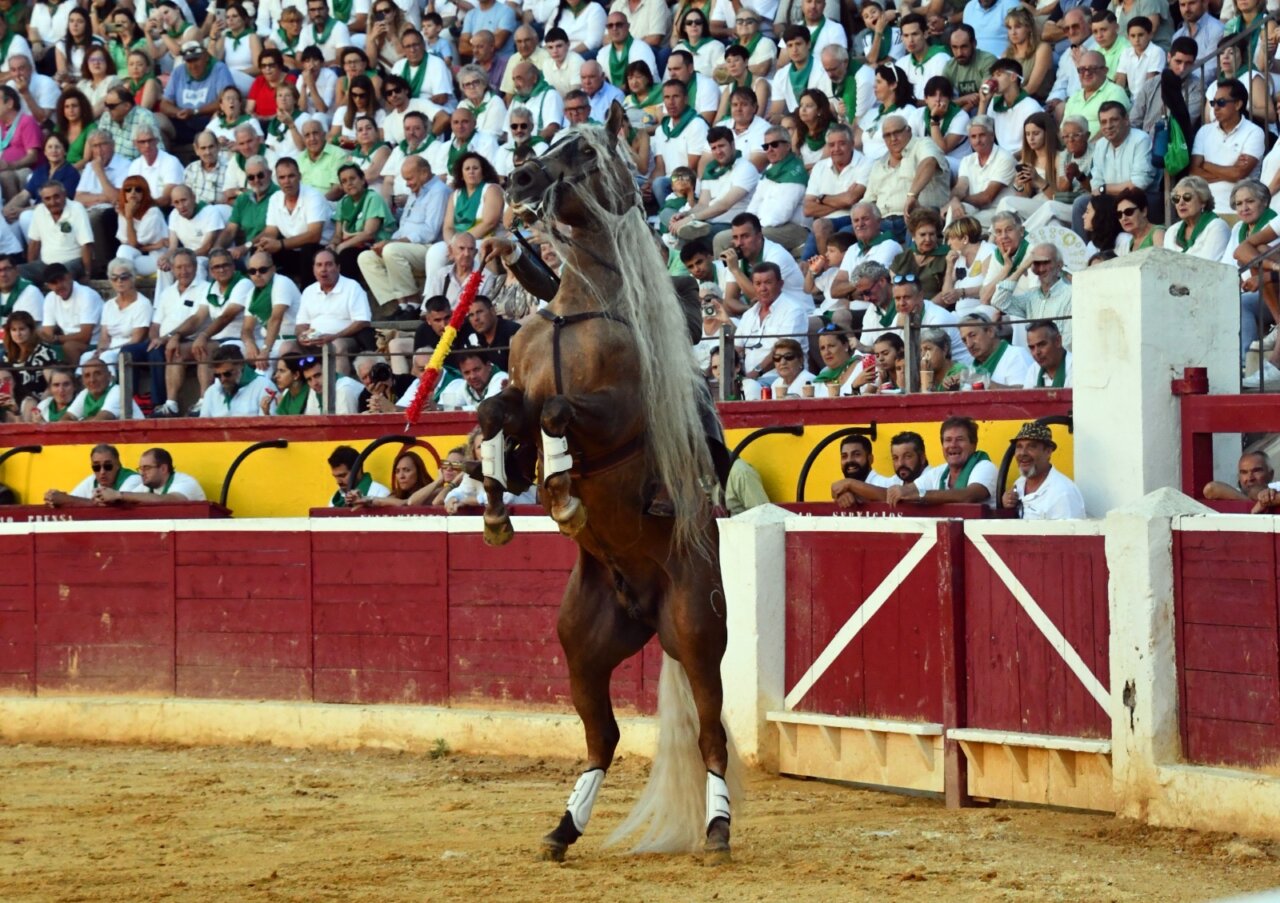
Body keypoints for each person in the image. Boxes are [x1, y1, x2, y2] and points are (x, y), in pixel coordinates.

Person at [359, 156, 449, 319]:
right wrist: (385, 242)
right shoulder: (415, 192)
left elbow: (430, 231)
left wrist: (392, 242)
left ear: (424, 173)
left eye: (409, 178)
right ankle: (399, 306)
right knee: (366, 258)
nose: (407, 184)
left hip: (430, 249)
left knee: (391, 250)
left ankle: (414, 302)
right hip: (407, 247)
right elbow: (403, 227)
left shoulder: (439, 192)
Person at [142, 248, 209, 417]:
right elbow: (155, 324)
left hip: (188, 339)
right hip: (163, 340)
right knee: (127, 352)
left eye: (187, 266)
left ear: (195, 267)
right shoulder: (167, 292)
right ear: (172, 269)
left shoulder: (205, 288)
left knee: (160, 351)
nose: (183, 271)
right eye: (178, 267)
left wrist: (167, 338)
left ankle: (161, 404)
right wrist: (155, 339)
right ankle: (133, 403)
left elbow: (196, 319)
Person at [889, 416, 998, 508]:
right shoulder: (939, 472)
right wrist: (897, 492)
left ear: (973, 444)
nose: (953, 445)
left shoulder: (985, 467)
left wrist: (919, 495)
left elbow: (968, 496)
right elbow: (907, 491)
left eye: (960, 439)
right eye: (948, 440)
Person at [1190, 79, 1264, 214]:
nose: (1215, 108)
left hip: (1240, 212)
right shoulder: (1204, 131)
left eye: (1221, 102)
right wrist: (1230, 173)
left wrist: (1205, 165)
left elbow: (1238, 174)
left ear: (1238, 104)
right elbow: (1194, 172)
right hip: (1205, 211)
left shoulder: (1254, 132)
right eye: (1213, 103)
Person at [296, 247, 372, 376]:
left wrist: (335, 336)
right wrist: (302, 336)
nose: (323, 269)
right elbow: (301, 324)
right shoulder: (308, 291)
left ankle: (340, 385)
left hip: (346, 339)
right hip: (314, 342)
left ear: (338, 267)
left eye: (328, 264)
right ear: (314, 269)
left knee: (337, 345)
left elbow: (363, 321)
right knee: (287, 347)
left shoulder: (352, 287)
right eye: (319, 265)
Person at [256, 156, 332, 283]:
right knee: (260, 251)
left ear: (299, 176)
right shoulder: (275, 198)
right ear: (277, 180)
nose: (287, 181)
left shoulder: (313, 196)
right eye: (282, 177)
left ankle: (306, 291)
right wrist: (263, 245)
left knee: (308, 248)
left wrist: (280, 244)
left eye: (291, 176)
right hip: (291, 249)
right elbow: (270, 231)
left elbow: (314, 235)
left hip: (319, 249)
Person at [992, 243, 1073, 351]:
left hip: (1063, 358)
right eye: (1036, 263)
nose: (1041, 269)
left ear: (1059, 265)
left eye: (1046, 262)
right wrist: (1021, 268)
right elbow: (998, 301)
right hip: (1036, 357)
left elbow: (1068, 341)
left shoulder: (1071, 294)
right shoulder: (1030, 297)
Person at [735, 262, 808, 383]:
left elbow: (784, 351)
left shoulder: (793, 310)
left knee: (750, 388)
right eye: (758, 284)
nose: (762, 288)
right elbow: (736, 347)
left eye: (768, 282)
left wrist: (754, 374)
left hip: (782, 379)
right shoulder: (748, 315)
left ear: (780, 284)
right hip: (750, 380)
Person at [999, 421, 1085, 519]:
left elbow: (1069, 529)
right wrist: (1006, 505)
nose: (1023, 453)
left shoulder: (1063, 494)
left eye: (1031, 446)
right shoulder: (1019, 484)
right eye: (1019, 446)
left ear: (1048, 452)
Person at [946, 116, 1015, 228]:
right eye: (973, 137)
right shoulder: (967, 160)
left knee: (967, 222)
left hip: (999, 211)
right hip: (976, 207)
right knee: (954, 210)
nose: (977, 141)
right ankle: (948, 237)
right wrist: (954, 201)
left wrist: (958, 199)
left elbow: (987, 197)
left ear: (992, 136)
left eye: (982, 135)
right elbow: (960, 187)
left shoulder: (1005, 158)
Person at [160, 42, 235, 145]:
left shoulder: (219, 69)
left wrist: (195, 111)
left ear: (206, 57)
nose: (193, 66)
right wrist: (178, 112)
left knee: (220, 114)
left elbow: (226, 101)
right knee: (158, 120)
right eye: (189, 61)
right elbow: (164, 104)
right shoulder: (178, 72)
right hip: (183, 122)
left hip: (210, 122)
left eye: (196, 60)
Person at [831, 431, 928, 507]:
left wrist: (849, 483)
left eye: (908, 456)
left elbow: (887, 495)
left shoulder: (932, 476)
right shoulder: (897, 480)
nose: (900, 463)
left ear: (870, 459)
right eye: (895, 458)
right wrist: (843, 494)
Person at [86, 258, 151, 368]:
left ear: (133, 278)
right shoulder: (108, 305)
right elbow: (104, 337)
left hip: (129, 350)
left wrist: (109, 351)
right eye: (114, 278)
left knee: (106, 358)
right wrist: (101, 350)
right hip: (108, 349)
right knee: (86, 358)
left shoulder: (143, 304)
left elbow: (137, 339)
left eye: (124, 277)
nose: (119, 281)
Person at [22, 181, 92, 283]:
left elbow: (86, 244)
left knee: (61, 274)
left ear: (64, 195)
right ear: (42, 200)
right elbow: (34, 243)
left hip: (72, 263)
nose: (53, 202)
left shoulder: (77, 209)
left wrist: (87, 273)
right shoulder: (39, 211)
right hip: (47, 265)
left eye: (56, 197)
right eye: (47, 199)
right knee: (17, 272)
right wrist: (32, 267)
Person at [43, 444, 145, 507]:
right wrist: (55, 498)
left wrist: (67, 499)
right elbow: (73, 497)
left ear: (118, 465)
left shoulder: (133, 479)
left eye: (108, 466)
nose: (102, 472)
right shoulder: (92, 480)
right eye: (96, 467)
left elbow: (113, 507)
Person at [36, 263, 101, 362]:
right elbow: (47, 333)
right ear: (48, 286)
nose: (59, 286)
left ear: (70, 276)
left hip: (94, 345)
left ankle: (73, 372)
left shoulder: (87, 295)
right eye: (54, 283)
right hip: (66, 342)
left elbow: (85, 337)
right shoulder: (50, 298)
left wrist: (56, 339)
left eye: (62, 280)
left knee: (70, 346)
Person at [94, 447, 206, 503]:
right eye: (140, 469)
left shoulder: (185, 482)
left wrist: (119, 495)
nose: (142, 473)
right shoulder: (145, 487)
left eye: (147, 468)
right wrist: (102, 497)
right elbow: (126, 500)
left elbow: (168, 500)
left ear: (163, 469)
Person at [0, 310, 57, 418]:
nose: (18, 334)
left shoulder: (43, 352)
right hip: (12, 400)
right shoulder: (7, 356)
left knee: (29, 402)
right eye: (14, 330)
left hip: (37, 400)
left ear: (31, 330)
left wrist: (40, 404)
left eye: (22, 329)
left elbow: (52, 384)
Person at [1062, 51, 1129, 138]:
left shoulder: (1115, 92)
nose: (1087, 73)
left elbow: (1112, 128)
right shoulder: (1074, 97)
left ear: (1105, 71)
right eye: (1082, 70)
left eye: (1092, 69)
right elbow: (1063, 130)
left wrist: (1090, 146)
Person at [959, 311, 1033, 387]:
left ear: (990, 331)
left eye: (973, 335)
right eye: (964, 340)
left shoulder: (1016, 355)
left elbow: (1023, 392)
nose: (969, 344)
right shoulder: (972, 368)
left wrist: (983, 381)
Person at [1164, 175, 1229, 261]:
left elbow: (1208, 264)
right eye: (1176, 199)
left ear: (1203, 201)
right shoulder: (1172, 231)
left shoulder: (1217, 227)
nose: (1181, 203)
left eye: (1187, 197)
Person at [198, 343, 273, 417]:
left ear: (241, 366)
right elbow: (203, 423)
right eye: (217, 375)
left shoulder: (264, 387)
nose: (223, 379)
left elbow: (269, 422)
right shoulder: (211, 392)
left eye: (227, 374)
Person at [64, 356, 143, 420]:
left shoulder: (118, 391)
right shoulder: (85, 393)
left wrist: (82, 420)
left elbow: (100, 421)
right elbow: (65, 419)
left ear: (109, 376)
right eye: (87, 376)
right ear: (83, 381)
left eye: (97, 374)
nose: (92, 380)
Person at [436, 349, 507, 411]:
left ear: (488, 366)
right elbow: (447, 408)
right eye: (467, 373)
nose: (473, 376)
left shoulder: (501, 379)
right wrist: (436, 407)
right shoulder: (463, 386)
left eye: (477, 369)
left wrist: (453, 409)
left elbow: (487, 408)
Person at [1203, 451, 1280, 507]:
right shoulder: (1232, 493)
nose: (1250, 478)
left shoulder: (1276, 491)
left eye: (1256, 471)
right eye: (1244, 472)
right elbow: (1210, 489)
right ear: (1239, 477)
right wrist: (1253, 503)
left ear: (1271, 474)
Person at [1113, 187, 1164, 256]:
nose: (1124, 218)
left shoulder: (1158, 233)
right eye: (1119, 214)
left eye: (1129, 212)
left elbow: (1161, 260)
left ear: (1144, 211)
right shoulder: (1131, 242)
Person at [1023, 319, 1072, 389]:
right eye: (1032, 347)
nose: (1037, 352)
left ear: (1058, 341)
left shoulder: (1076, 367)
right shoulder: (1033, 370)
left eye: (1041, 345)